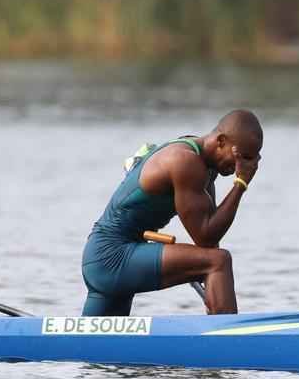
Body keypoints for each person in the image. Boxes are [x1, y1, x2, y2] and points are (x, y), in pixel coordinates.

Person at [81, 110, 263, 317]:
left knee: (89, 340)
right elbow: (205, 236)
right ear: (221, 141)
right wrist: (240, 184)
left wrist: (215, 288)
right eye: (243, 157)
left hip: (113, 257)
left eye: (253, 160)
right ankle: (227, 334)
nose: (246, 166)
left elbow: (209, 242)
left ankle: (221, 328)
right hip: (111, 256)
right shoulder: (185, 161)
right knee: (219, 261)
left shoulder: (205, 164)